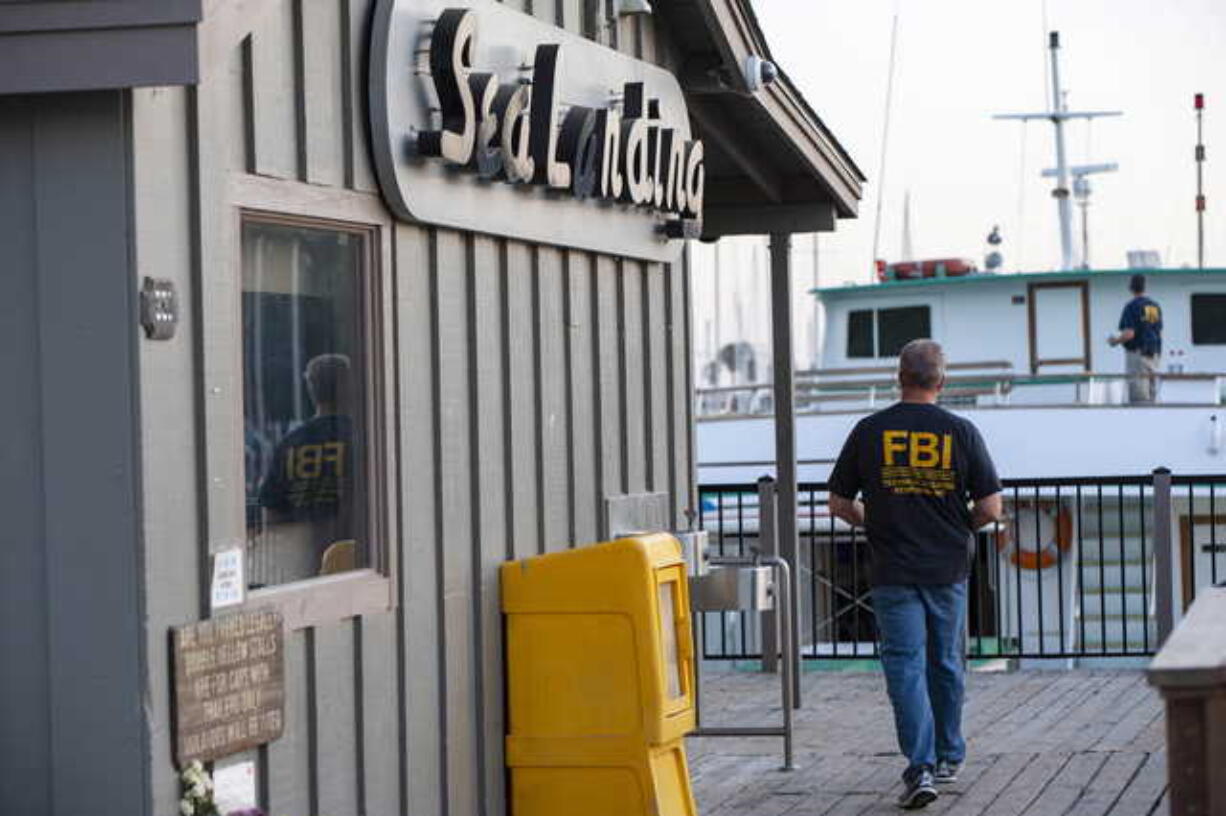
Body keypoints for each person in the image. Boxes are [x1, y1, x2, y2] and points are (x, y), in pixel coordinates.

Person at [827, 339, 1003, 810]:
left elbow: (840, 504)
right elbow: (990, 507)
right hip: (947, 567)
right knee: (945, 661)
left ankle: (920, 766)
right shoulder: (961, 432)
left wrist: (877, 520)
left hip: (892, 569)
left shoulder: (869, 431)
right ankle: (949, 755)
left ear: (899, 378)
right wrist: (952, 526)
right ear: (941, 382)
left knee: (904, 666)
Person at [257, 353, 357, 581]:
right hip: (355, 567)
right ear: (350, 387)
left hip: (302, 574)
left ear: (311, 390)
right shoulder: (364, 438)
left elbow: (271, 516)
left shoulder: (290, 444)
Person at [1108, 274, 1163, 404]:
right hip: (1154, 356)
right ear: (1145, 287)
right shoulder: (1155, 306)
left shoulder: (1131, 306)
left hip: (1138, 356)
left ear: (1131, 288)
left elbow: (1129, 334)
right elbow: (1159, 332)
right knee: (1152, 395)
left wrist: (1114, 341)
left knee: (1139, 397)